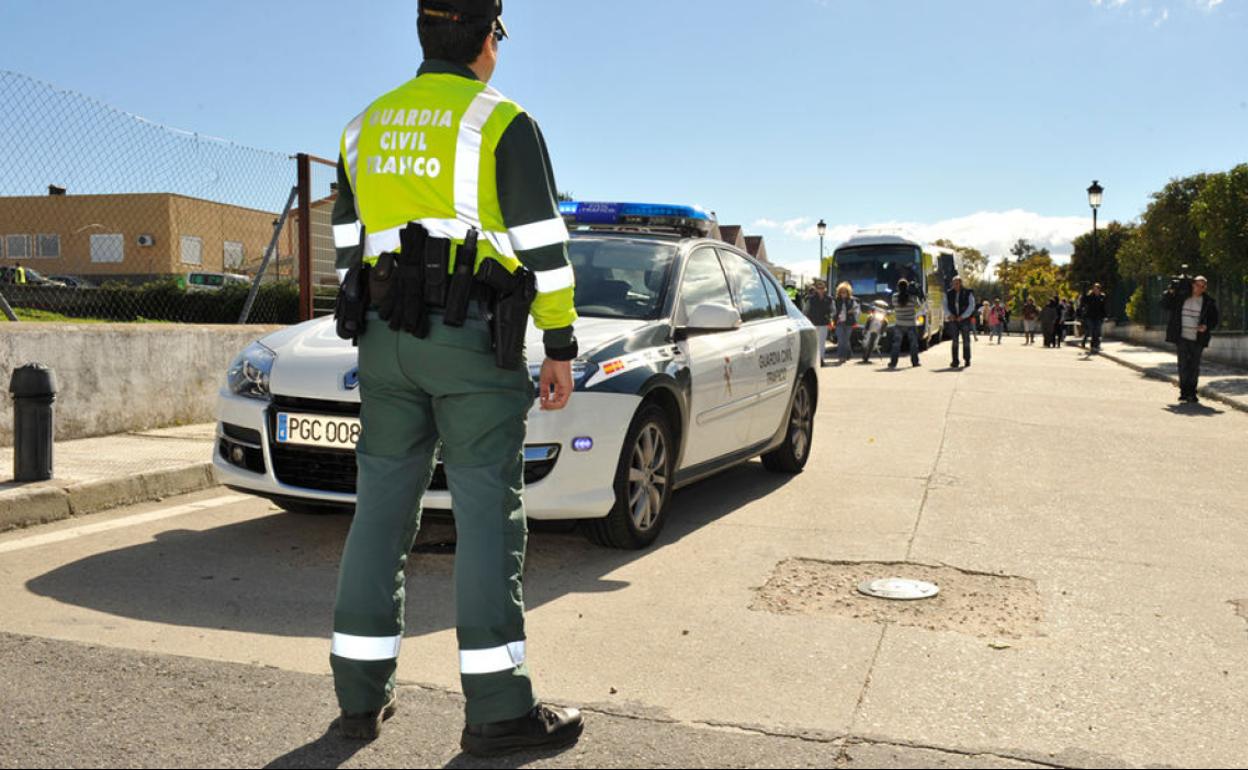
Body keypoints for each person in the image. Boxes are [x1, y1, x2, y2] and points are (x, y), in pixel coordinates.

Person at [327, 0, 584, 755]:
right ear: (487, 39)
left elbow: (347, 239)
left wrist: (367, 312)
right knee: (485, 517)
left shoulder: (363, 125)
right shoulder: (501, 121)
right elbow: (544, 244)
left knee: (379, 512)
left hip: (384, 336)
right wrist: (561, 343)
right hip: (471, 340)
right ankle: (499, 708)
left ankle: (358, 698)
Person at [1162, 275, 1220, 403]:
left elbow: (1214, 319)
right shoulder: (1181, 297)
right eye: (1198, 285)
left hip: (1198, 338)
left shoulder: (1208, 302)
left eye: (1203, 286)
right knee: (1183, 365)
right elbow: (1165, 305)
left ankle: (1192, 393)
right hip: (1182, 336)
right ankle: (1184, 392)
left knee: (1194, 366)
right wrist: (1170, 292)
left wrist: (1206, 326)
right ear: (1193, 284)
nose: (1200, 288)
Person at [889, 279, 924, 368]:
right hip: (911, 324)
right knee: (913, 344)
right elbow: (919, 306)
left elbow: (893, 305)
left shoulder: (894, 297)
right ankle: (915, 362)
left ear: (898, 287)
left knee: (896, 344)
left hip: (899, 323)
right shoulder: (912, 298)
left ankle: (893, 362)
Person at [944, 275, 976, 368]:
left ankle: (967, 359)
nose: (955, 285)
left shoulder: (968, 293)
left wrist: (963, 316)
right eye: (954, 284)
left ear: (961, 283)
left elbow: (971, 306)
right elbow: (944, 306)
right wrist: (949, 315)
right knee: (955, 340)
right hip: (953, 320)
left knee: (966, 340)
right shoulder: (948, 293)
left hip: (964, 320)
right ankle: (955, 361)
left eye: (957, 283)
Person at [803, 280, 833, 366]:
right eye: (819, 288)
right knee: (814, 342)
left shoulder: (829, 299)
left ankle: (821, 359)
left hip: (824, 322)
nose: (821, 290)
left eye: (822, 288)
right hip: (813, 323)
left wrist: (831, 319)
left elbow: (832, 310)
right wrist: (805, 320)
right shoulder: (810, 299)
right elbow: (805, 311)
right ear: (816, 289)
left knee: (822, 342)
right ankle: (813, 360)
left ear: (825, 289)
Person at [832, 281, 859, 364]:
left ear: (848, 292)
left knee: (846, 340)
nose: (843, 294)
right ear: (839, 292)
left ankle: (848, 354)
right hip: (839, 322)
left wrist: (853, 312)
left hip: (849, 322)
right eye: (841, 292)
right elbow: (832, 310)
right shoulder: (835, 300)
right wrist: (834, 317)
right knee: (841, 340)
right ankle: (841, 357)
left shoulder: (852, 300)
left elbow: (857, 310)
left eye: (845, 292)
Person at [1081, 283, 1108, 352]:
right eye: (1094, 289)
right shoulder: (1090, 296)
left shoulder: (1102, 296)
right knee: (1093, 330)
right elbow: (1084, 300)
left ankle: (1096, 344)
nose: (1095, 290)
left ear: (1099, 289)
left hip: (1099, 316)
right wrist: (1083, 290)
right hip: (1090, 316)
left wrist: (1105, 316)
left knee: (1097, 331)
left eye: (1097, 289)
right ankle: (1093, 345)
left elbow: (1104, 307)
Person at [861, 299, 888, 364]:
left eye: (882, 306)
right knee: (869, 318)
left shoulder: (884, 311)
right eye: (879, 305)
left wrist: (890, 312)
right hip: (874, 318)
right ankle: (865, 330)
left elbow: (888, 312)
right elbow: (870, 309)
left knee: (886, 321)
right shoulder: (873, 308)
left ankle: (882, 331)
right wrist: (870, 309)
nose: (880, 306)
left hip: (880, 320)